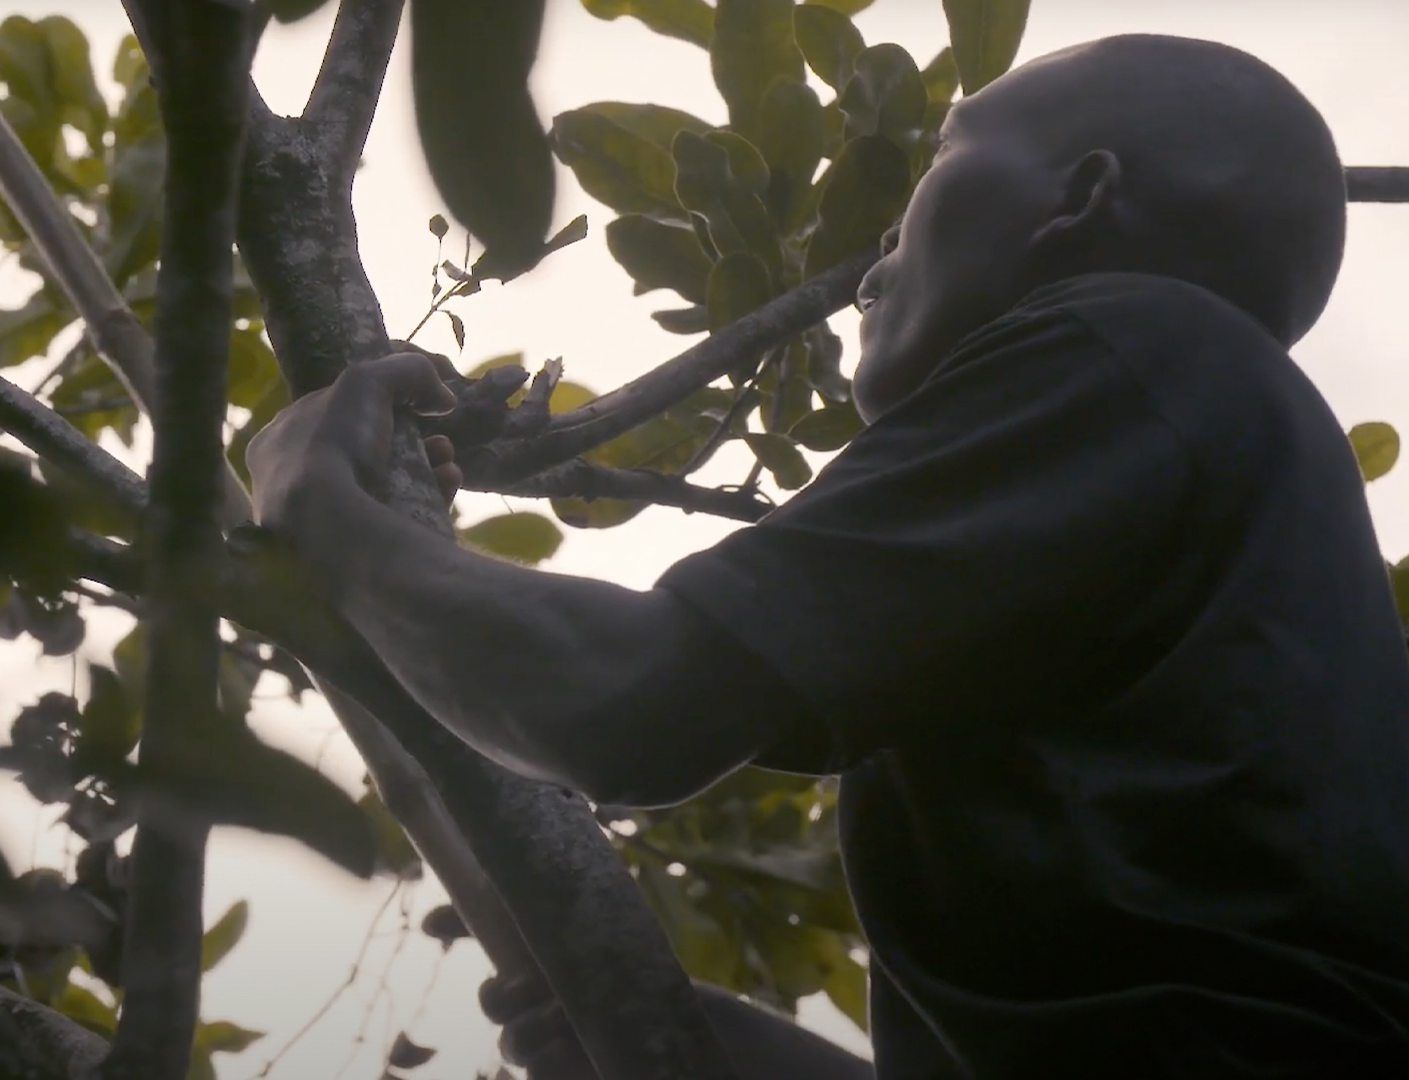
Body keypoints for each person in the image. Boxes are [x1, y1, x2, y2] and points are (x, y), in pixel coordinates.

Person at [245, 32, 1409, 1080]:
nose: (870, 261)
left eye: (928, 180)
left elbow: (628, 703)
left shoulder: (1142, 342)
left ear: (1080, 193)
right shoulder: (1213, 465)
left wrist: (328, 512)